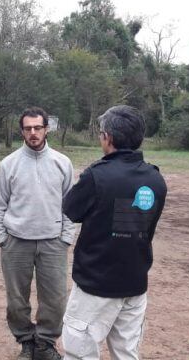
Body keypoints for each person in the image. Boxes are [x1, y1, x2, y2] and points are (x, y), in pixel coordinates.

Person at [61, 105, 167, 360]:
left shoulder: (97, 176)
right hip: (135, 283)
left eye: (100, 134)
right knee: (127, 353)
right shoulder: (155, 179)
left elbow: (71, 209)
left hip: (96, 284)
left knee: (79, 350)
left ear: (107, 137)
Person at [0, 107, 76, 360]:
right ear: (22, 131)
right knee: (17, 300)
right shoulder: (8, 165)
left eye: (37, 127)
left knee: (56, 300)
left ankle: (45, 343)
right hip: (16, 243)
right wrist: (2, 239)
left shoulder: (62, 163)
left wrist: (65, 238)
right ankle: (26, 342)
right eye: (28, 128)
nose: (33, 133)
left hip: (53, 242)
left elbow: (70, 205)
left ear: (46, 129)